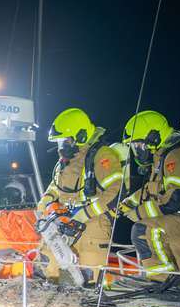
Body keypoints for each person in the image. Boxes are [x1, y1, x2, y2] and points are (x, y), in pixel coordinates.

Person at [36, 108, 124, 286]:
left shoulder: (103, 156)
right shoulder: (65, 161)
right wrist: (46, 200)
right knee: (44, 260)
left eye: (66, 140)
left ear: (81, 135)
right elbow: (56, 185)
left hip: (94, 223)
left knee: (90, 278)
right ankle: (42, 301)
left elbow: (115, 192)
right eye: (60, 141)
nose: (62, 145)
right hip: (65, 220)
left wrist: (86, 213)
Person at [118, 111, 180, 283]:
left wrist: (138, 213)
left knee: (143, 230)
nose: (137, 149)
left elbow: (173, 199)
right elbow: (152, 190)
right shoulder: (161, 158)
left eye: (138, 143)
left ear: (153, 137)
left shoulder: (176, 157)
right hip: (179, 222)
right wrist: (126, 203)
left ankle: (163, 282)